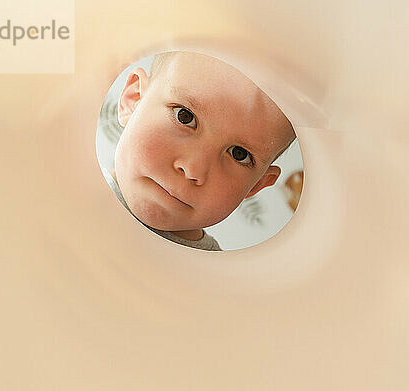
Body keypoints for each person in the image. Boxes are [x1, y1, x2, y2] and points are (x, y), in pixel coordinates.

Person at [107, 51, 296, 251]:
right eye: (184, 117)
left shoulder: (218, 278)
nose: (192, 169)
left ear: (256, 184)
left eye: (238, 154)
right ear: (133, 100)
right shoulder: (72, 192)